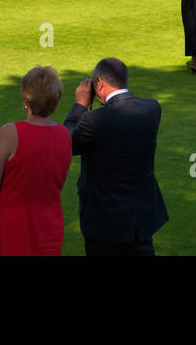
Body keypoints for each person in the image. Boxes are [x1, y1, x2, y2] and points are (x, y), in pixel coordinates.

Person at [63, 57, 168, 256]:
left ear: (99, 84)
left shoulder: (93, 120)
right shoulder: (152, 108)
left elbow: (65, 143)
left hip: (103, 224)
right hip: (140, 220)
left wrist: (79, 106)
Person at [0, 65, 72, 256]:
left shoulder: (10, 133)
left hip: (14, 227)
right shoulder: (64, 135)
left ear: (25, 100)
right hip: (50, 225)